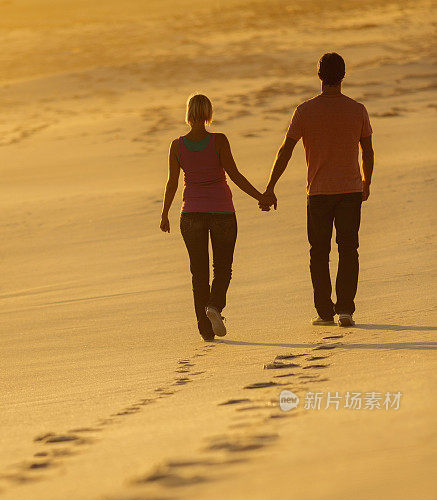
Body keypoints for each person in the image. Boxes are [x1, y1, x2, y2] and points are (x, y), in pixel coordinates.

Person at [260, 52, 374, 327]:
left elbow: (285, 151)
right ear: (343, 75)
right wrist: (366, 183)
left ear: (319, 75)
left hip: (319, 192)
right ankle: (345, 309)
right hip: (350, 190)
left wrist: (271, 187)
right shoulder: (357, 109)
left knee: (319, 252)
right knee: (349, 249)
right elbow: (367, 151)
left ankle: (325, 312)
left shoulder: (305, 111)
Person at [160, 93, 265, 341]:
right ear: (208, 113)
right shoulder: (219, 141)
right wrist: (260, 196)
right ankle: (215, 306)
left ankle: (206, 331)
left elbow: (172, 183)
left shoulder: (178, 145)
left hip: (191, 213)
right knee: (223, 268)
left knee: (199, 273)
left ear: (188, 114)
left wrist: (164, 214)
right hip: (222, 212)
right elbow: (235, 175)